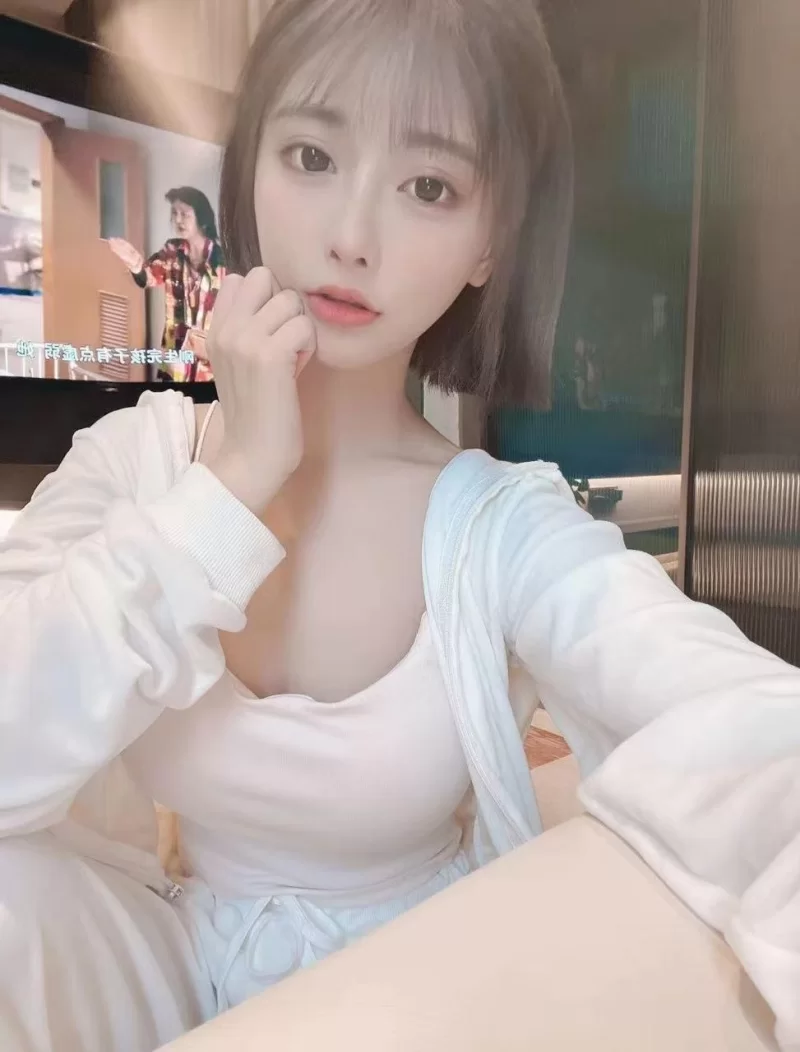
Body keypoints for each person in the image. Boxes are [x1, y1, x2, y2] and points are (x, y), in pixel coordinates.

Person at [0, 2, 797, 1052]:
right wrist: (229, 490)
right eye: (311, 155)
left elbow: (746, 726)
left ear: (489, 242)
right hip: (182, 968)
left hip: (408, 997)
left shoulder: (498, 527)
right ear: (250, 167)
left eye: (428, 187)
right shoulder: (141, 460)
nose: (350, 237)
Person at [109, 187, 226, 382]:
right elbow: (148, 277)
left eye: (185, 214)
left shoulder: (222, 261)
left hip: (209, 368)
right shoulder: (171, 250)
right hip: (174, 362)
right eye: (174, 213)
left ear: (202, 218)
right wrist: (135, 265)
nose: (178, 220)